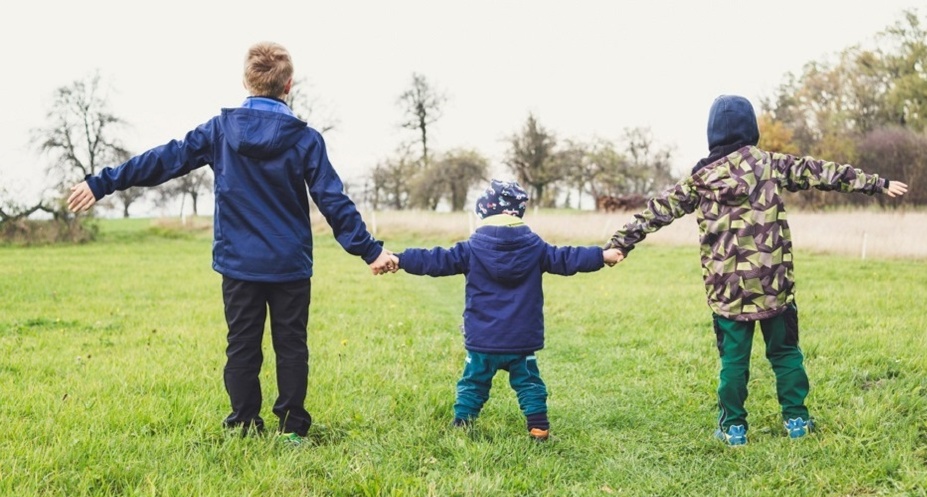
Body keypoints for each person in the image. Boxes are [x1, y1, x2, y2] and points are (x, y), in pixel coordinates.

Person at [66, 41, 396, 445]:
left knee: (241, 347)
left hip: (239, 264)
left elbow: (164, 160)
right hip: (289, 264)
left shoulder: (220, 131)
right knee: (291, 345)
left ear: (246, 80)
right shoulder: (306, 139)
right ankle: (292, 429)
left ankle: (243, 423)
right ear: (288, 84)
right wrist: (370, 250)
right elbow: (332, 200)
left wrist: (103, 182)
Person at [605, 94, 909, 446]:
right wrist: (877, 183)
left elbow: (657, 211)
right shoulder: (769, 165)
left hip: (728, 292)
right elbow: (821, 172)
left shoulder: (700, 180)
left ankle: (734, 428)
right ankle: (796, 420)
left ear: (713, 134)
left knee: (733, 362)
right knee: (785, 353)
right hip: (774, 284)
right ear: (751, 129)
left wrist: (621, 243)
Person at [391, 180, 624, 441]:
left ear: (485, 213)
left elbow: (435, 260)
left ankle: (462, 424)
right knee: (529, 383)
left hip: (483, 339)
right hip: (521, 339)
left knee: (473, 382)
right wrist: (601, 256)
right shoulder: (536, 248)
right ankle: (538, 427)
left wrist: (401, 259)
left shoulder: (470, 248)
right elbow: (567, 257)